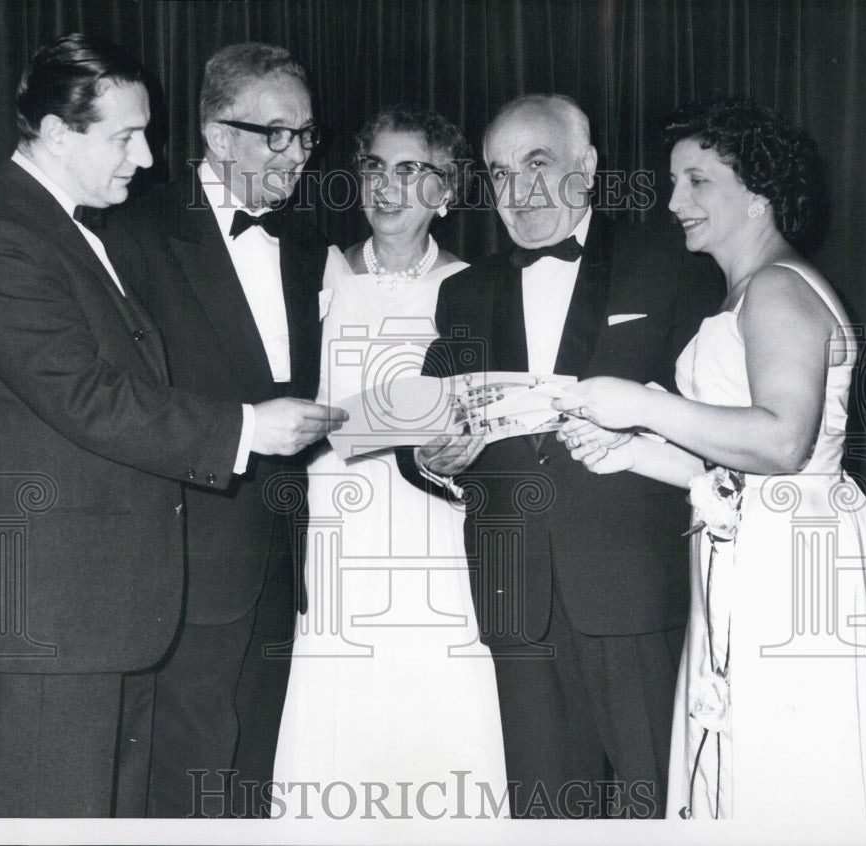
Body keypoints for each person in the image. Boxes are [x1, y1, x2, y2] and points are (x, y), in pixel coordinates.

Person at [0, 34, 341, 818]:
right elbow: (86, 396)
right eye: (124, 136)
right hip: (49, 611)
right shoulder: (3, 238)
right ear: (56, 134)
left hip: (93, 606)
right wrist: (248, 428)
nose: (147, 157)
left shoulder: (63, 228)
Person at [553, 97, 866, 820]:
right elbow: (723, 468)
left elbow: (782, 442)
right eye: (675, 180)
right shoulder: (745, 290)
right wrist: (628, 450)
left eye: (698, 180)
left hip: (795, 563)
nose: (675, 199)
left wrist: (646, 407)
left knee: (794, 771)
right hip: (751, 549)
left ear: (759, 194)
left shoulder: (778, 288)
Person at [398, 93, 724, 818]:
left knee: (660, 806)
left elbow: (723, 413)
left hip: (638, 586)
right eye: (500, 172)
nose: (518, 192)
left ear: (588, 166)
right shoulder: (463, 293)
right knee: (544, 817)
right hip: (518, 595)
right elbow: (418, 431)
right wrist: (437, 460)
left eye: (537, 164)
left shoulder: (670, 260)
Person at [103, 43, 336, 818]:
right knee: (184, 784)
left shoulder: (305, 245)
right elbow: (117, 404)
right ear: (216, 133)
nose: (297, 154)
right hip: (184, 561)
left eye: (305, 135)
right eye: (277, 133)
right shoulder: (130, 232)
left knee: (251, 784)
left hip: (280, 559)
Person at [271, 106, 509, 816]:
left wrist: (463, 445)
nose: (386, 187)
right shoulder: (313, 275)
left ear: (446, 191)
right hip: (335, 538)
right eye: (375, 166)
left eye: (411, 171)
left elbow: (491, 422)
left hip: (434, 541)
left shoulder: (478, 286)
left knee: (437, 720)